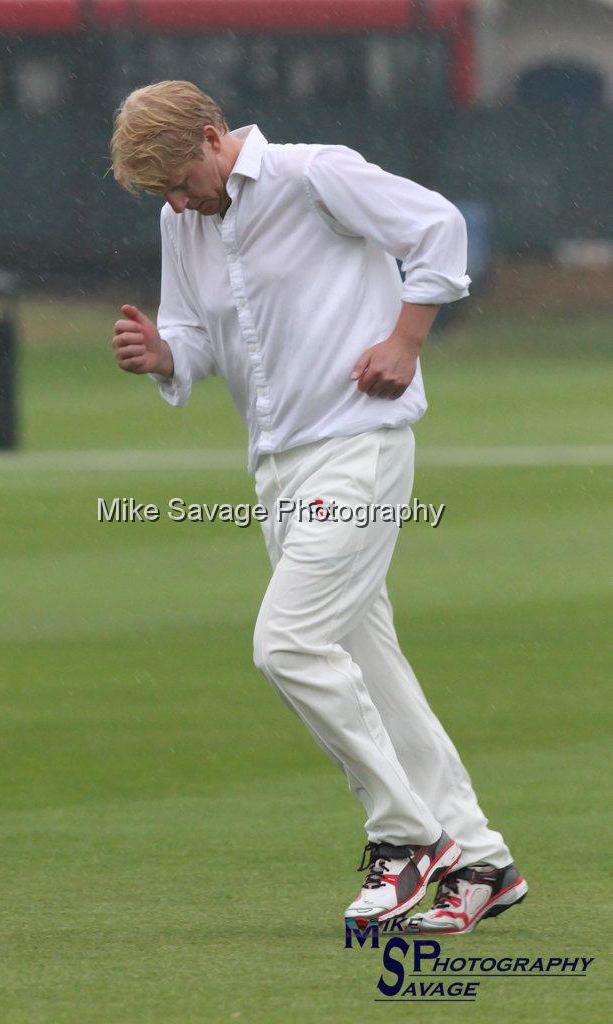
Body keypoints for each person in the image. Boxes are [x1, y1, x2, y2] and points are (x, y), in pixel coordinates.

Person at [109, 80, 528, 934]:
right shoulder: (180, 220)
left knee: (288, 644)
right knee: (369, 667)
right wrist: (161, 355)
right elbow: (190, 332)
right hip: (276, 469)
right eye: (161, 195)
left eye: (179, 181)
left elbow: (437, 228)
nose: (178, 202)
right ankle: (479, 859)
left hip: (357, 449)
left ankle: (406, 840)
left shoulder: (312, 176)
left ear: (212, 135)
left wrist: (405, 340)